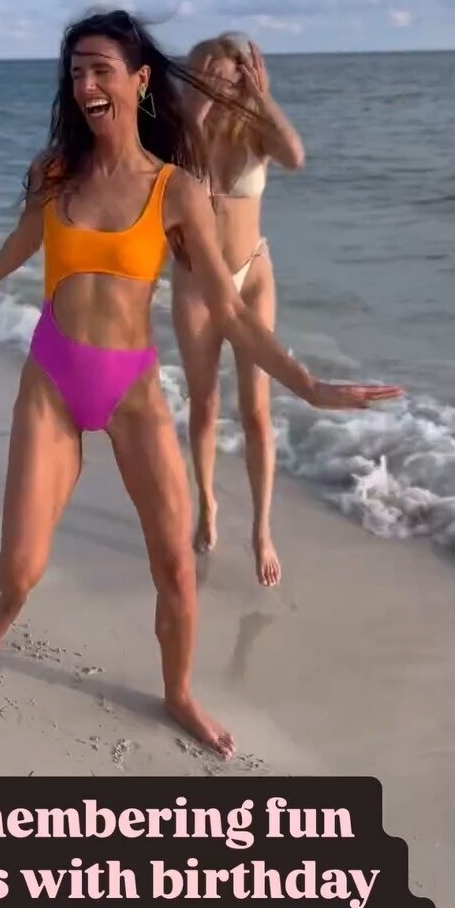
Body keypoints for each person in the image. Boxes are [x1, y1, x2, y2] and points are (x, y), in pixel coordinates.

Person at [0, 9, 402, 757]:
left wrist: (309, 386)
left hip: (131, 389)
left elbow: (229, 311)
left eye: (101, 69)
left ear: (139, 81)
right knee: (22, 567)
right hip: (52, 381)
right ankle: (9, 601)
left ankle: (179, 694)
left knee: (175, 566)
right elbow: (21, 244)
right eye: (76, 71)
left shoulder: (176, 192)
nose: (85, 84)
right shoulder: (54, 173)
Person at [172, 32, 304, 587]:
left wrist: (262, 98)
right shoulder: (179, 136)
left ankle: (261, 530)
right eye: (211, 78)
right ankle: (207, 503)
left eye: (233, 78)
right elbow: (164, 177)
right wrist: (196, 108)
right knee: (204, 404)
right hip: (196, 282)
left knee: (256, 410)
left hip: (252, 277)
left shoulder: (257, 130)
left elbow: (295, 156)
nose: (223, 88)